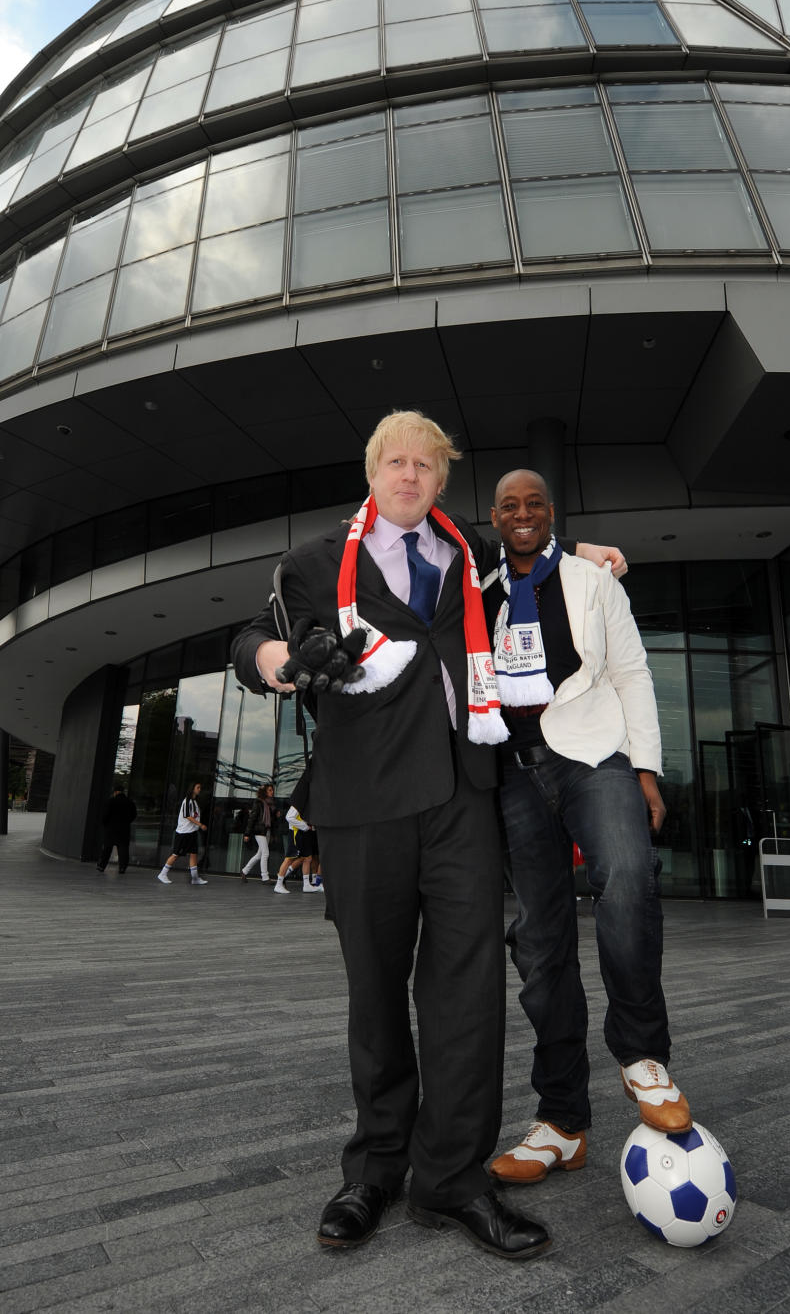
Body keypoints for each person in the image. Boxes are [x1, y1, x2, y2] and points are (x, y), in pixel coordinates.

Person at [231, 410, 624, 1262]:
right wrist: (280, 662)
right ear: (372, 473)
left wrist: (587, 557)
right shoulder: (310, 564)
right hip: (363, 802)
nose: (409, 475)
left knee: (468, 993)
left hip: (460, 801)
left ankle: (451, 1177)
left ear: (443, 481)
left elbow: (535, 561)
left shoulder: (471, 559)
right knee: (375, 990)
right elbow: (250, 636)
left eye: (426, 465)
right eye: (395, 462)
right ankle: (375, 1167)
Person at [482, 469, 692, 1189]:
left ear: (551, 512)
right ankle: (561, 1121)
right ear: (495, 516)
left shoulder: (594, 581)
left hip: (593, 752)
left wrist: (646, 768)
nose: (522, 513)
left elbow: (632, 672)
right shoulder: (479, 590)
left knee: (629, 874)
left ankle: (641, 1055)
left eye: (534, 503)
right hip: (513, 770)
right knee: (540, 944)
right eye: (509, 505)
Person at [157, 781, 208, 885]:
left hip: (192, 832)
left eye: (200, 787)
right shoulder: (187, 800)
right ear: (193, 788)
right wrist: (200, 824)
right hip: (183, 832)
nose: (199, 789)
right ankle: (163, 873)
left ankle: (195, 878)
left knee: (193, 854)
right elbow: (187, 816)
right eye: (198, 787)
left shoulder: (194, 801)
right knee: (176, 854)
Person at [275, 799, 324, 895]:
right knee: (289, 859)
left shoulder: (307, 805)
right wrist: (305, 826)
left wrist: (309, 827)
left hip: (303, 833)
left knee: (307, 858)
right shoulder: (299, 804)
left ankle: (306, 885)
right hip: (296, 833)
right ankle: (278, 884)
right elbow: (289, 817)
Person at [97, 784, 137, 873]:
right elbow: (134, 815)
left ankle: (101, 866)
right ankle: (122, 867)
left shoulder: (111, 801)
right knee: (123, 849)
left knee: (107, 848)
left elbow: (105, 815)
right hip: (124, 829)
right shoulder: (130, 802)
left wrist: (106, 824)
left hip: (111, 829)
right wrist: (127, 822)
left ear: (115, 792)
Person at [240, 782, 276, 883]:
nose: (272, 792)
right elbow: (252, 818)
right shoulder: (259, 802)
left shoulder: (270, 804)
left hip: (267, 831)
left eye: (272, 790)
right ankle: (265, 877)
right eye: (269, 790)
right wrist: (247, 833)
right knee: (265, 853)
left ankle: (244, 871)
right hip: (259, 831)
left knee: (259, 855)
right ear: (264, 792)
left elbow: (271, 821)